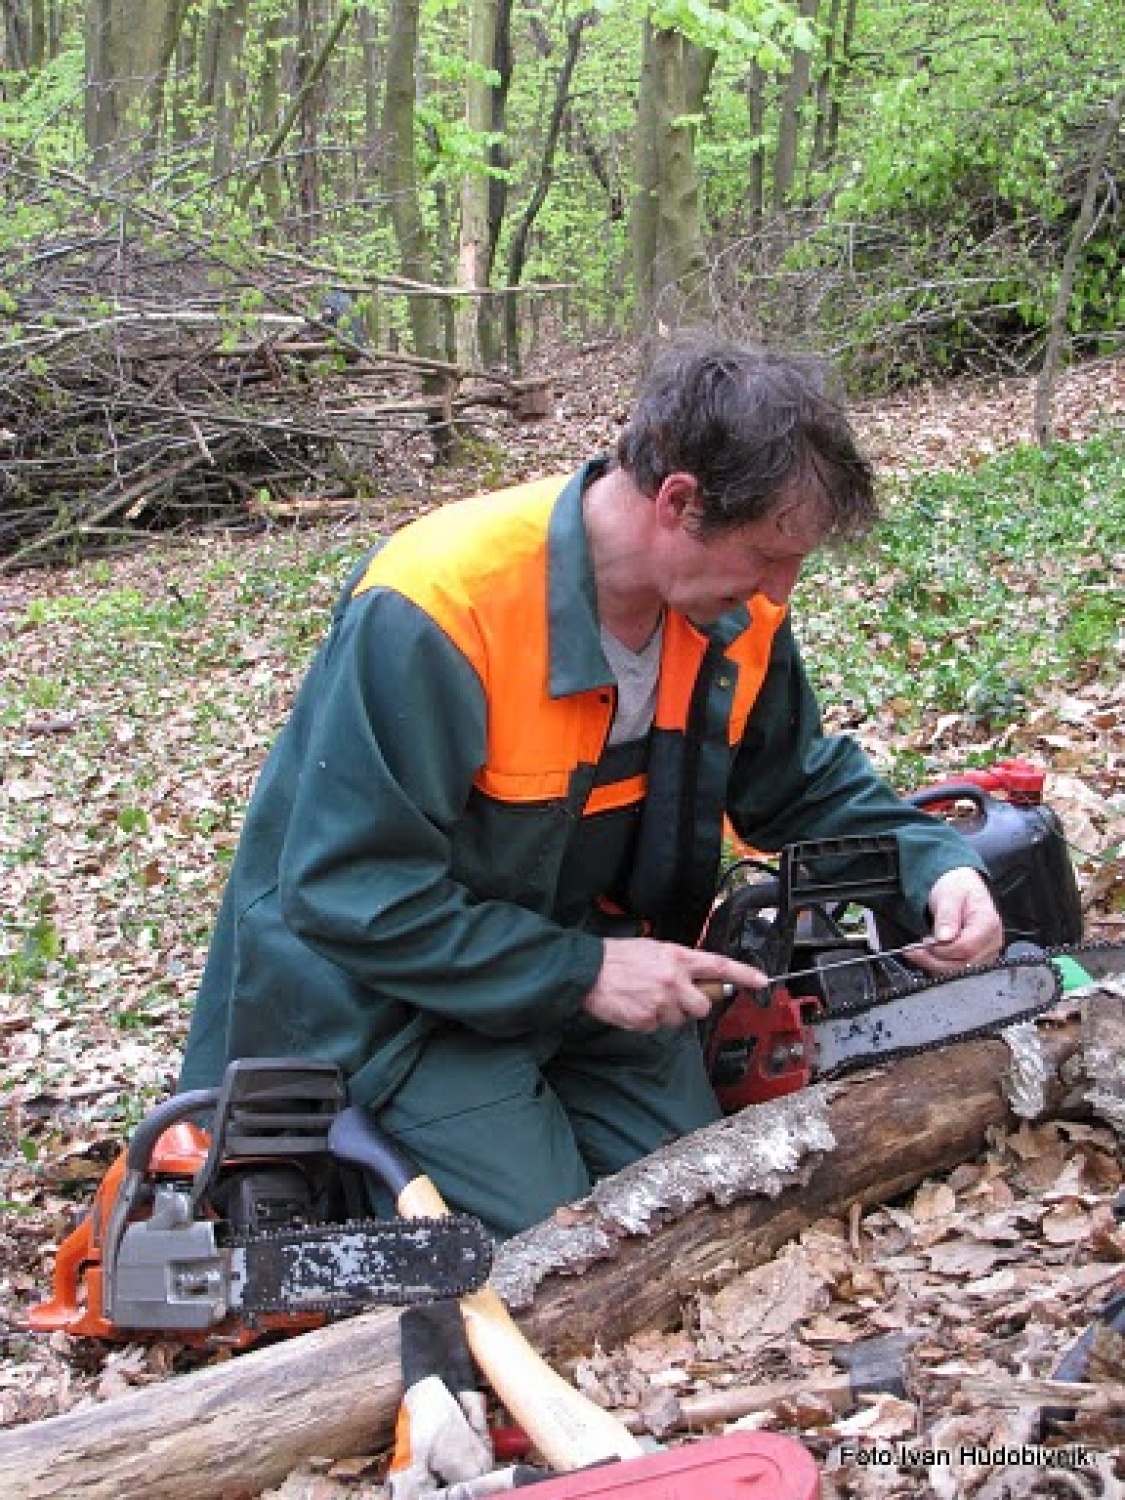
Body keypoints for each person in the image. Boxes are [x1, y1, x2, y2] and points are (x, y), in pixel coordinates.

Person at [179, 338, 1002, 1237]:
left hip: (588, 964)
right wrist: (582, 972)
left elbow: (796, 783)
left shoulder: (728, 613)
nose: (779, 587)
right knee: (551, 1241)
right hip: (397, 1002)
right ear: (679, 501)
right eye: (767, 554)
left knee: (706, 1201)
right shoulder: (439, 605)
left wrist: (935, 864)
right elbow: (349, 892)